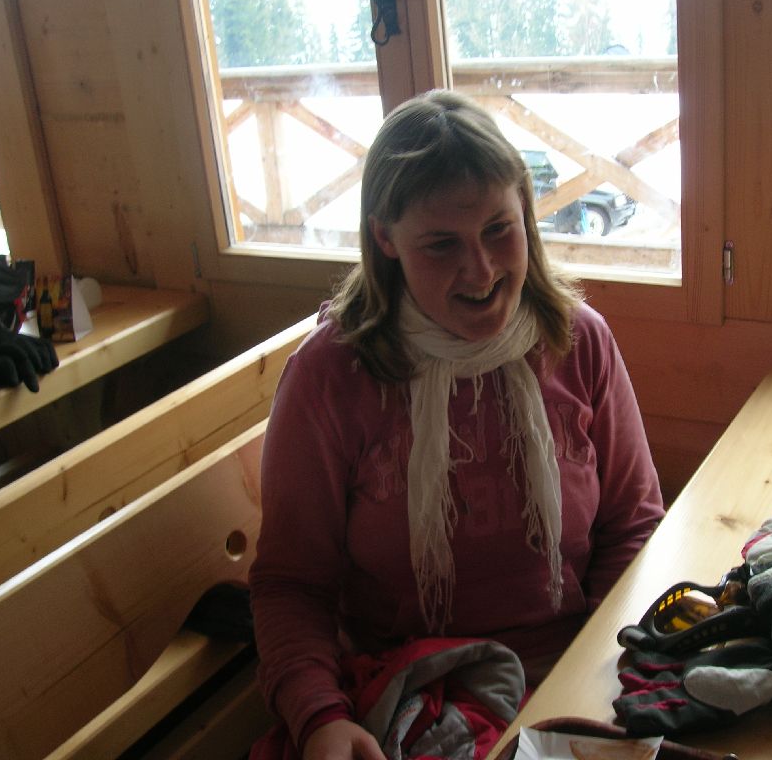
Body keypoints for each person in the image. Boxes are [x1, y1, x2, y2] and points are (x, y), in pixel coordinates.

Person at [248, 89, 665, 760]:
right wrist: (320, 716)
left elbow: (633, 530)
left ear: (525, 209)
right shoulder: (330, 375)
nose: (482, 270)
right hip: (407, 694)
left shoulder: (579, 341)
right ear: (385, 238)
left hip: (573, 680)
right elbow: (292, 584)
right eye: (442, 244)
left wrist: (606, 674)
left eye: (500, 229)